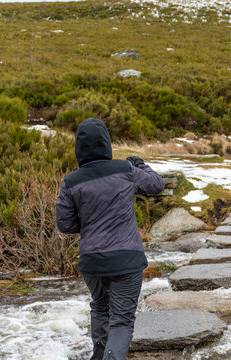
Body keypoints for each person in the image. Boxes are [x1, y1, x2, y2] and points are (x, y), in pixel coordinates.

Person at [56, 118, 164, 360]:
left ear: (78, 148)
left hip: (92, 262)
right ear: (106, 143)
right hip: (127, 259)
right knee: (122, 321)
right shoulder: (124, 169)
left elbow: (65, 225)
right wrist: (141, 165)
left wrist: (89, 222)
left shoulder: (71, 181)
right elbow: (156, 185)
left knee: (100, 307)